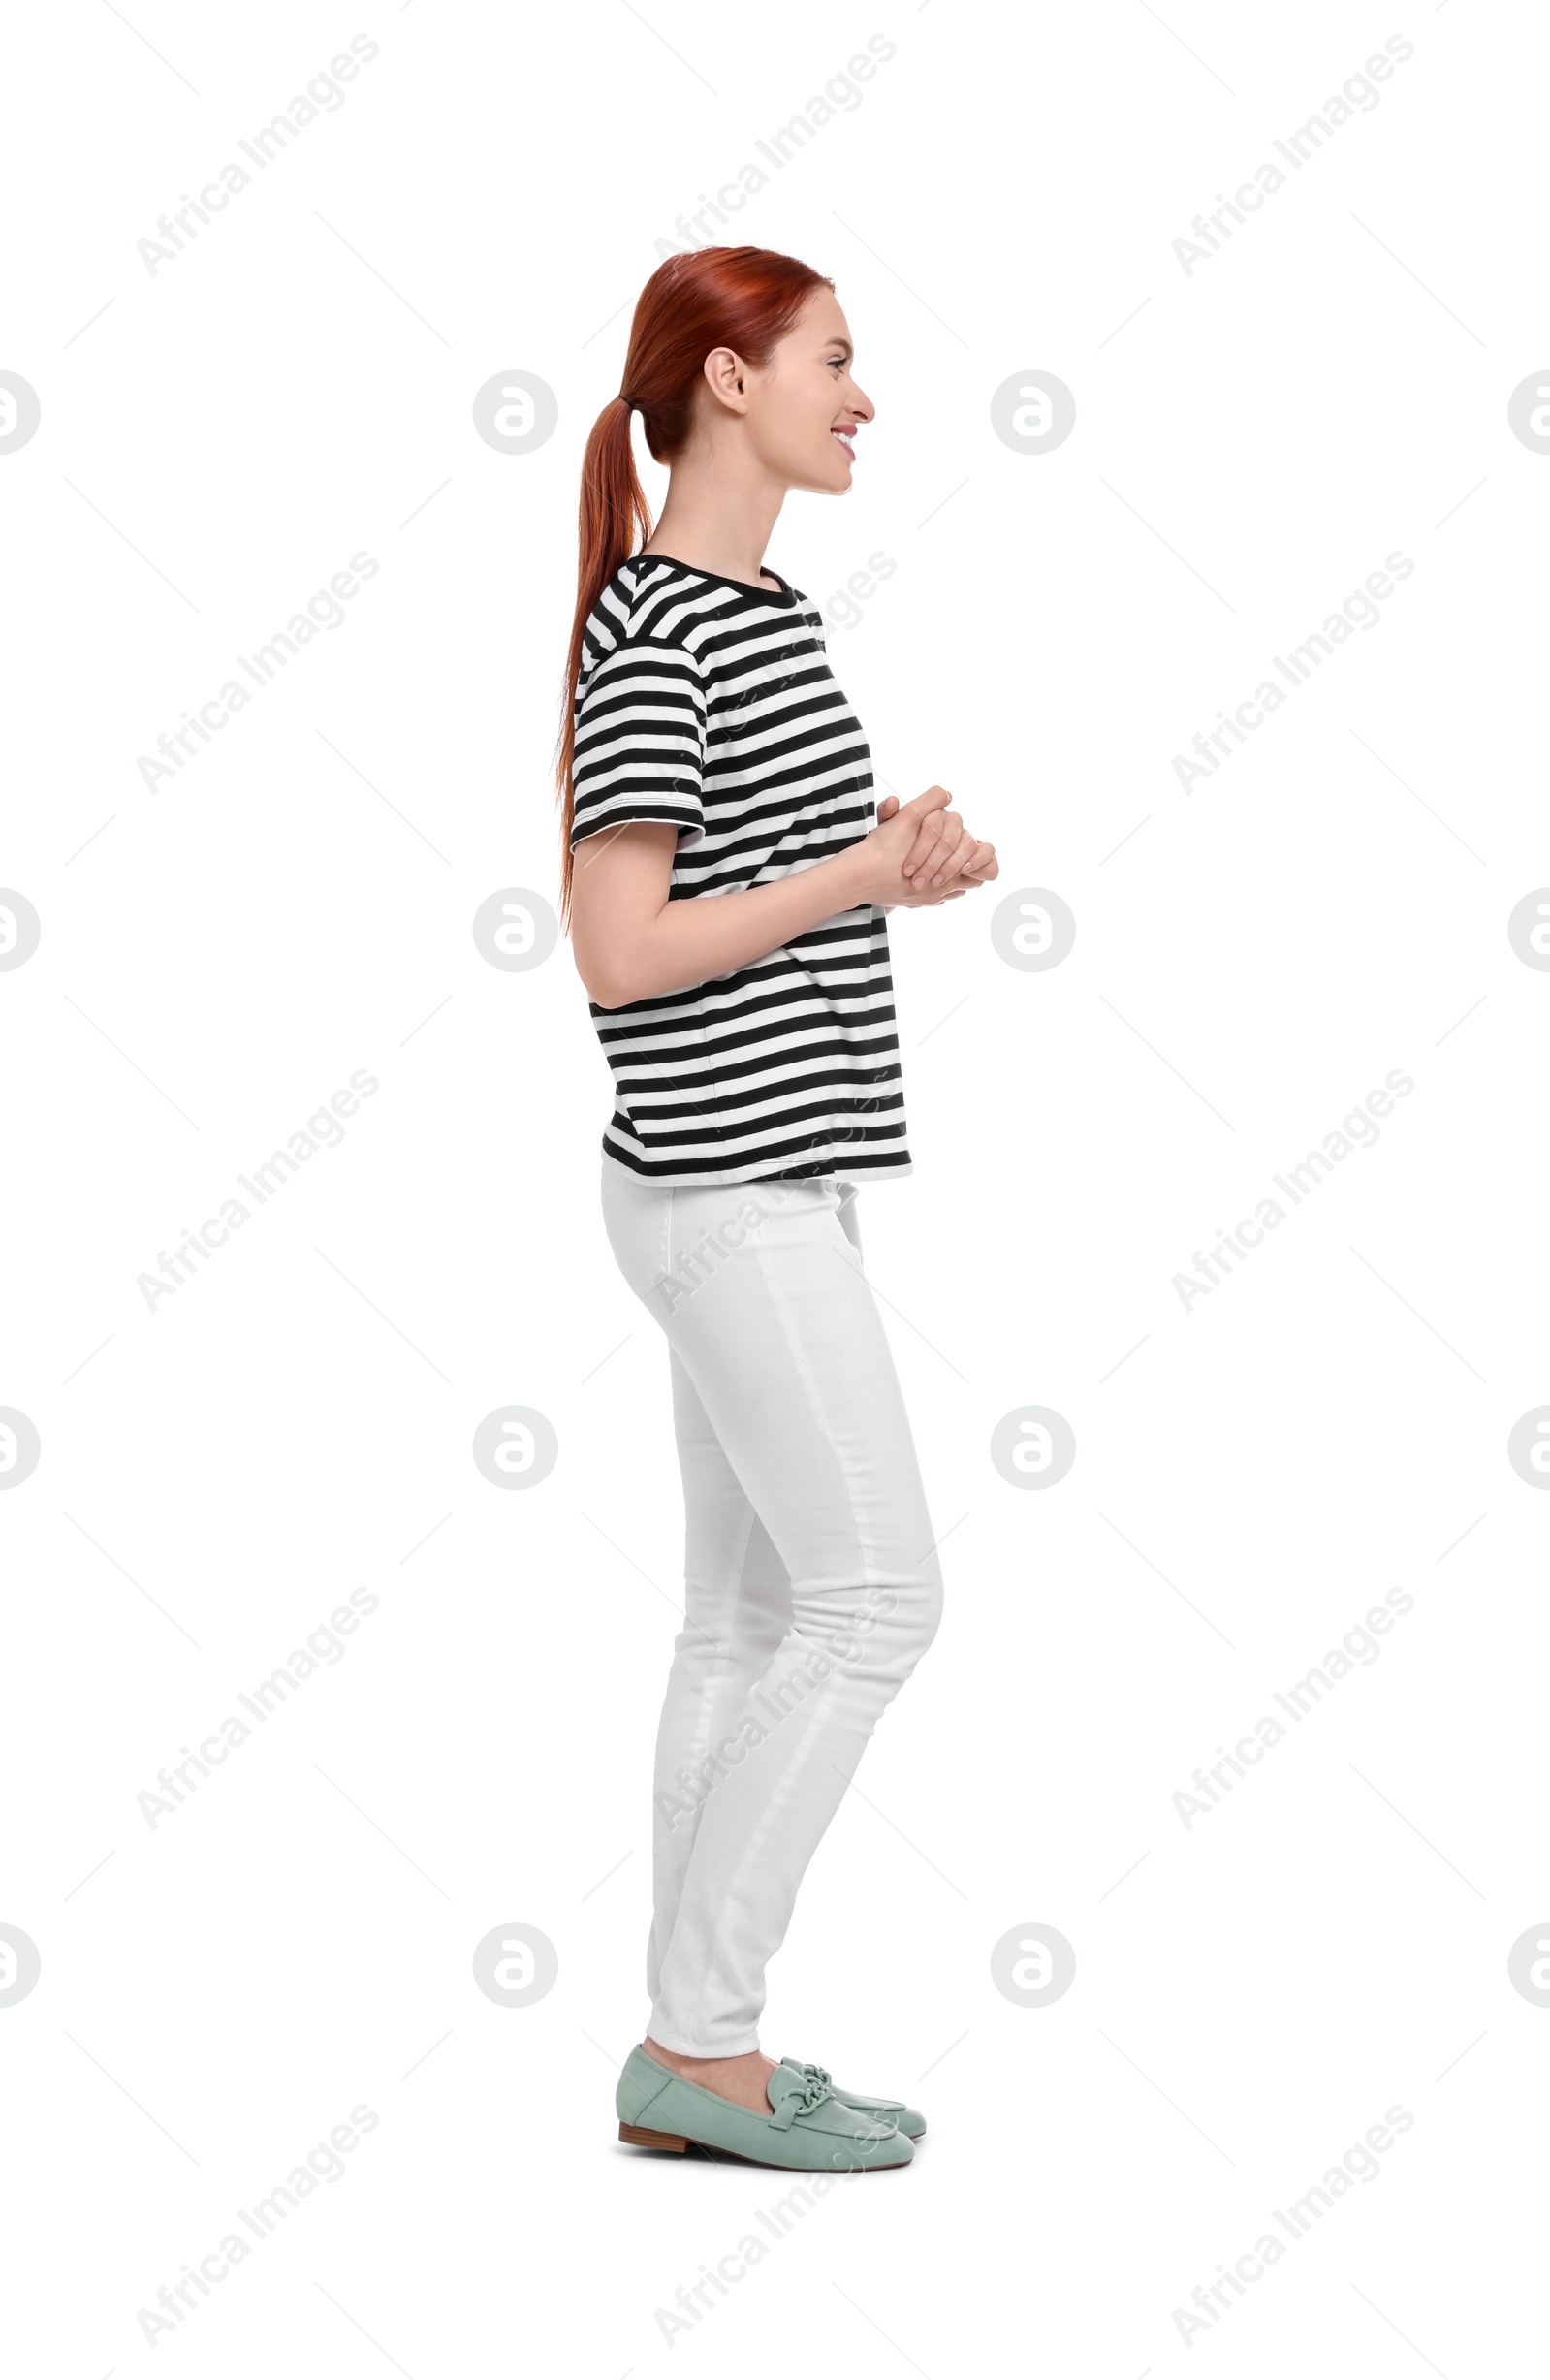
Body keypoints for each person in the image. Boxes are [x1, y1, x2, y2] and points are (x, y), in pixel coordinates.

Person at [555, 244, 996, 2171]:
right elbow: (615, 946)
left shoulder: (755, 614)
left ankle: (693, 2055)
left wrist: (883, 866)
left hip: (756, 1177)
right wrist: (838, 886)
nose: (862, 394)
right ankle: (699, 2045)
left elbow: (740, 880)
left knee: (743, 1627)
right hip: (725, 1191)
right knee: (879, 1594)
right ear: (724, 380)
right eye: (832, 357)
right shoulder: (666, 627)